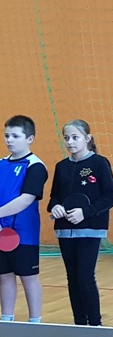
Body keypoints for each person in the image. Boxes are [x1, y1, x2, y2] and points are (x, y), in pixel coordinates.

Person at [47, 119, 113, 327]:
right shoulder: (61, 167)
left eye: (75, 137)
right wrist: (55, 207)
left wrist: (85, 213)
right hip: (65, 231)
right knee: (72, 278)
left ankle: (95, 325)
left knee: (85, 276)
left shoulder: (99, 163)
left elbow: (110, 195)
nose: (70, 142)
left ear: (87, 138)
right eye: (67, 138)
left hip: (90, 230)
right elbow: (54, 197)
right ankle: (79, 324)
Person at [0, 116, 48, 323]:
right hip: (1, 231)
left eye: (15, 136)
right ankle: (6, 319)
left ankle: (35, 321)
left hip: (24, 233)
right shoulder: (1, 164)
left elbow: (26, 199)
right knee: (4, 275)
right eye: (7, 135)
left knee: (28, 277)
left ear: (30, 138)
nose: (9, 140)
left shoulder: (36, 166)